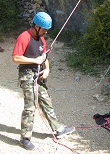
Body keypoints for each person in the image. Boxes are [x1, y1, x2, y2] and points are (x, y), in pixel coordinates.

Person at [12, 12, 75, 150]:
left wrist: (47, 69)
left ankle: (58, 129)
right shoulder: (24, 37)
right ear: (36, 26)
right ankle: (25, 138)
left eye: (47, 30)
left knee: (46, 100)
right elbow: (16, 58)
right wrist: (34, 61)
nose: (46, 32)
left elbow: (44, 57)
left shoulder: (42, 40)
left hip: (39, 74)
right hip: (27, 75)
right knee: (30, 107)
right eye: (44, 29)